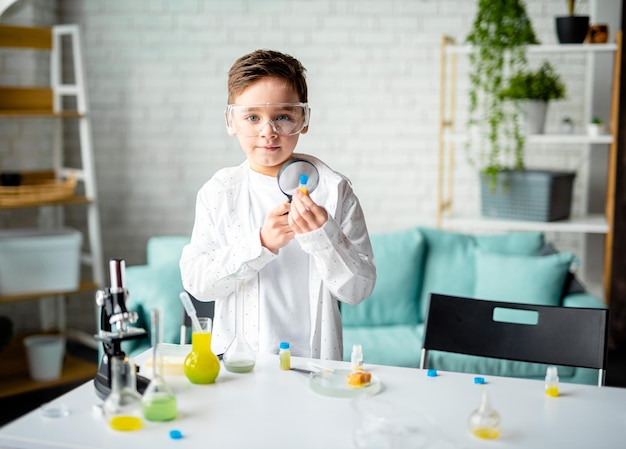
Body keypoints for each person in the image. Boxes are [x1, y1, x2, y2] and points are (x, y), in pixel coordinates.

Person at [179, 49, 376, 361]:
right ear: (232, 121)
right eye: (252, 117)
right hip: (242, 366)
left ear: (303, 119)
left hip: (317, 363)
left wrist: (325, 236)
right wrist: (260, 243)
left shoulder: (335, 191)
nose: (268, 131)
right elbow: (197, 283)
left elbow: (357, 291)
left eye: (283, 116)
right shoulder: (218, 193)